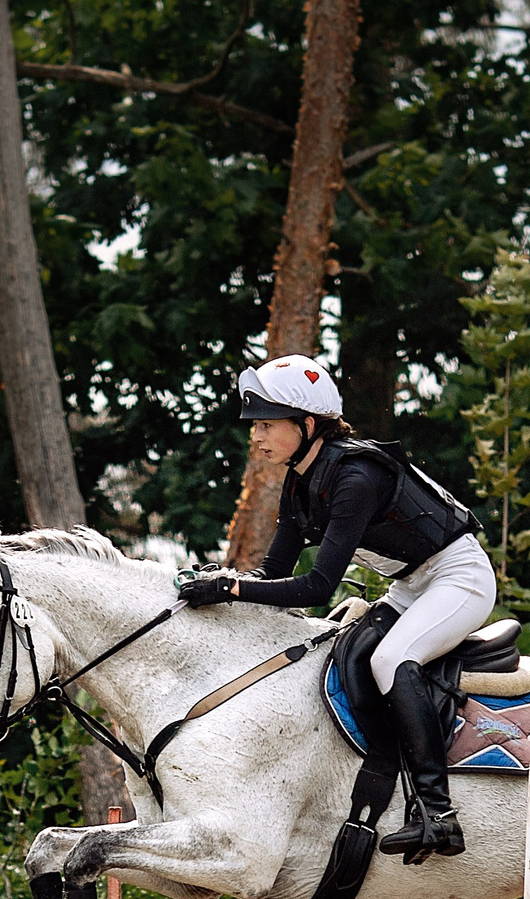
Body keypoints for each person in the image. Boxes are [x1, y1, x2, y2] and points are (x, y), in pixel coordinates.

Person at [176, 354, 498, 861]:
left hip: (459, 578)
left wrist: (231, 591)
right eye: (254, 425)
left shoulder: (355, 476)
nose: (254, 436)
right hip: (411, 586)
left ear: (307, 425)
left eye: (265, 424)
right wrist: (225, 585)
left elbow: (316, 587)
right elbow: (273, 575)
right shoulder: (301, 479)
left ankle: (440, 816)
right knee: (345, 656)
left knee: (391, 660)